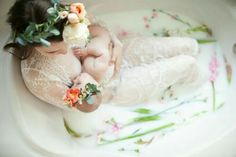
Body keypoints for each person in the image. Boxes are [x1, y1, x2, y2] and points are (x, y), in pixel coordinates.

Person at [4, 0, 202, 113]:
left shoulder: (68, 17)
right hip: (115, 88)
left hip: (115, 50)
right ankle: (199, 87)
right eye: (53, 51)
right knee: (188, 64)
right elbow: (86, 105)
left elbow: (97, 25)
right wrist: (90, 83)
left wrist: (115, 44)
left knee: (189, 45)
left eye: (67, 39)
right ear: (29, 44)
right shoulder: (38, 76)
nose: (65, 50)